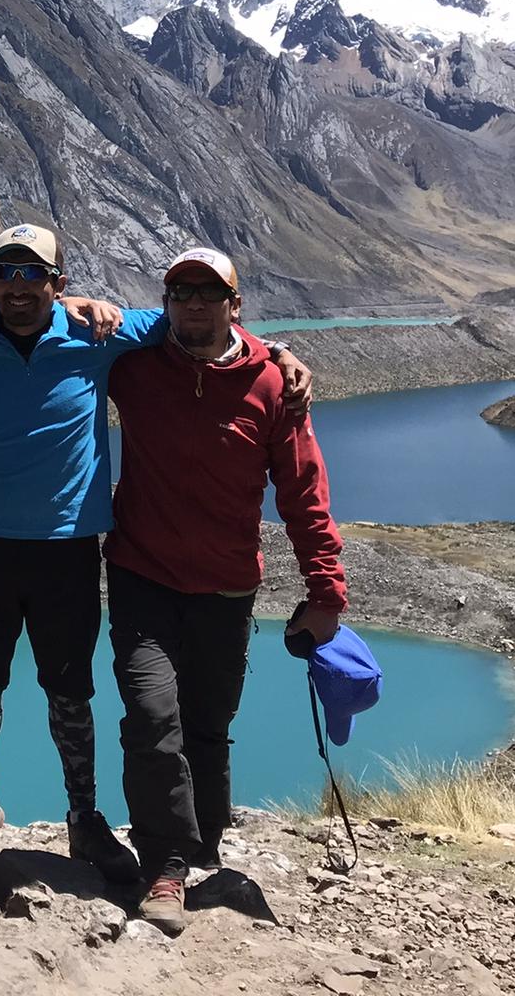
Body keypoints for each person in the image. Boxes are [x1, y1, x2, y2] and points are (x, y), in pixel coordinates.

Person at [0, 196, 312, 889]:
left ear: (58, 282)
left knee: (70, 690)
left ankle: (84, 817)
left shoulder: (99, 336)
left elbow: (203, 324)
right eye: (5, 274)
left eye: (33, 275)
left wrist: (279, 355)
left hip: (68, 549)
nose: (18, 288)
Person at [104, 247, 347, 936]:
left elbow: (304, 493)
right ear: (167, 301)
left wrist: (325, 589)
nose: (195, 303)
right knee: (154, 718)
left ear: (235, 304)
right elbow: (67, 344)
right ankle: (166, 866)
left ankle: (205, 846)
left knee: (208, 727)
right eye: (182, 291)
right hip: (141, 576)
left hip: (226, 586)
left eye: (210, 292)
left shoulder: (274, 385)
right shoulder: (136, 367)